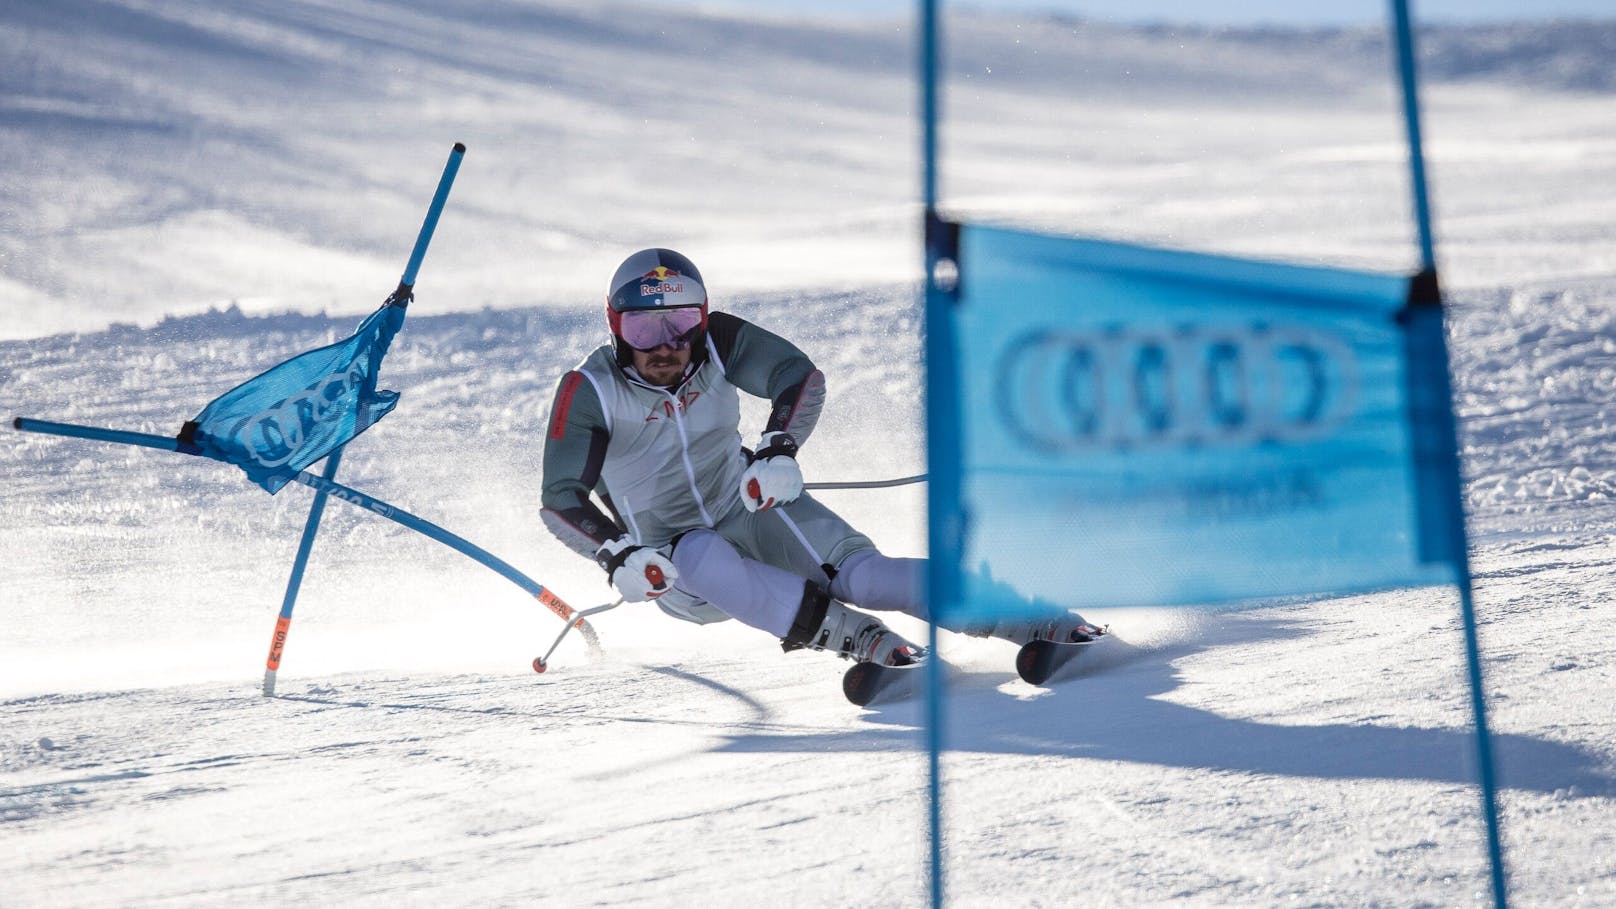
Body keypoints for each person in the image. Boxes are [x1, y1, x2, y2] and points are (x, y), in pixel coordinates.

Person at [539, 248, 1094, 669]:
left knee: (866, 577)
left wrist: (778, 449)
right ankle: (855, 637)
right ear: (616, 327)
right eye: (642, 327)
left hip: (748, 508)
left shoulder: (716, 343)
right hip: (674, 565)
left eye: (680, 323)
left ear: (702, 319)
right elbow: (560, 497)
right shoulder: (590, 389)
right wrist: (617, 555)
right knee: (701, 549)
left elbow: (797, 377)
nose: (665, 346)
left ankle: (1026, 615)